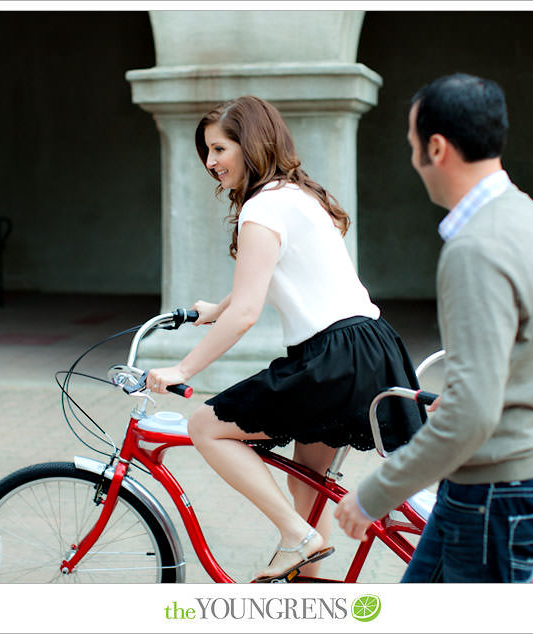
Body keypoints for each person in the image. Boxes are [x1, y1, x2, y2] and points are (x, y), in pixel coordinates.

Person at [147, 95, 424, 583]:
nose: (210, 162)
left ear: (250, 144)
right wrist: (216, 309)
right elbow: (264, 284)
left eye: (218, 149)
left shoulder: (262, 207)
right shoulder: (296, 195)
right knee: (307, 486)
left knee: (207, 428)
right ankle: (307, 573)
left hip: (334, 356)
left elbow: (249, 312)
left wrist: (182, 370)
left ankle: (299, 539)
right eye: (205, 152)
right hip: (370, 345)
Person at [334, 73, 533, 583]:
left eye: (412, 145)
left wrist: (375, 493)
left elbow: (470, 416)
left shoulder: (476, 248)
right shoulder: (527, 217)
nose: (411, 159)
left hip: (493, 496)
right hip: (507, 482)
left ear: (437, 148)